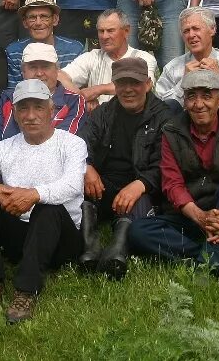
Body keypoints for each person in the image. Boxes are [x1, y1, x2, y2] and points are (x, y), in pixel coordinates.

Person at [0, 78, 87, 323]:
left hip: (61, 239)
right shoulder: (2, 147)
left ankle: (26, 291)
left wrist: (33, 195)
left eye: (38, 107)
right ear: (14, 113)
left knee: (47, 207)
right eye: (23, 108)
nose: (30, 115)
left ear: (52, 110)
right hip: (19, 235)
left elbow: (72, 185)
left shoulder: (72, 143)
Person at [128, 70, 219, 278]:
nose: (199, 104)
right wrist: (201, 217)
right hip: (191, 214)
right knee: (137, 232)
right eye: (192, 97)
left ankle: (209, 263)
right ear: (184, 103)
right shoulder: (172, 131)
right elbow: (172, 183)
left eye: (207, 96)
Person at [76, 57, 171, 279]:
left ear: (148, 84)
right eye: (122, 83)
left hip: (141, 185)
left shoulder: (164, 116)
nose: (128, 90)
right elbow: (81, 142)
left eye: (135, 83)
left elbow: (167, 163)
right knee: (77, 192)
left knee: (139, 203)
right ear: (114, 85)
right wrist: (87, 167)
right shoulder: (103, 113)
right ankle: (90, 245)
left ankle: (118, 250)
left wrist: (142, 184)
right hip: (104, 183)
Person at [0, 43, 87, 160]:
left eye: (45, 66)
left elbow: (61, 145)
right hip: (2, 168)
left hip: (49, 167)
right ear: (23, 72)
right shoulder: (6, 98)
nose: (39, 73)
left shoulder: (73, 101)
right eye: (33, 67)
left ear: (57, 71)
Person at [57, 8, 158, 111]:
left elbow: (144, 85)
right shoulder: (92, 57)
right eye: (101, 31)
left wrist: (98, 89)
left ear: (126, 31)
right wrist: (81, 98)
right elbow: (59, 76)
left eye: (110, 31)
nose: (104, 36)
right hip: (98, 120)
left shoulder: (143, 58)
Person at [155, 7, 219, 116]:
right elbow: (161, 112)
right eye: (186, 31)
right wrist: (183, 83)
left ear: (212, 29)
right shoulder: (172, 68)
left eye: (196, 28)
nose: (191, 35)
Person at [5, 0, 84, 87]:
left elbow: (79, 93)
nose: (38, 22)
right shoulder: (14, 52)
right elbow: (13, 92)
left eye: (44, 17)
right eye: (32, 17)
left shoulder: (74, 50)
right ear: (25, 22)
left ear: (55, 19)